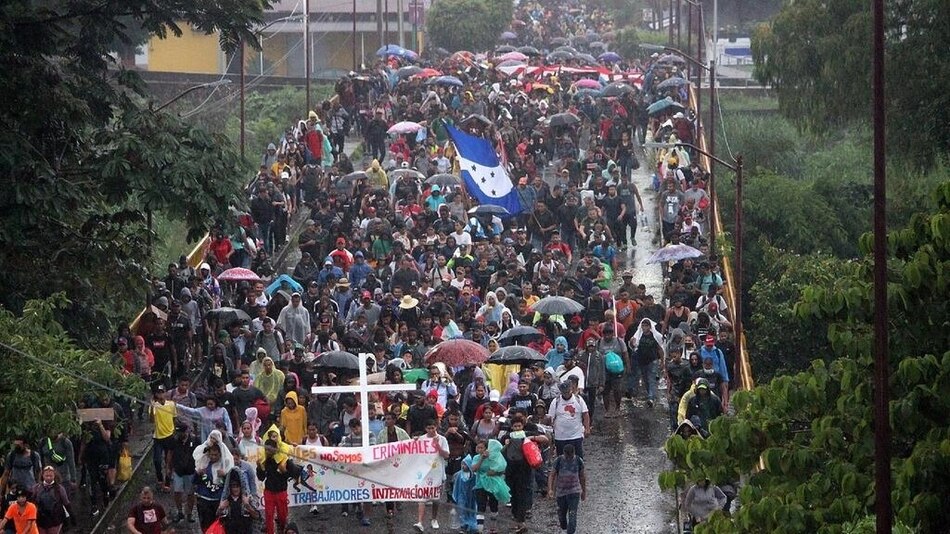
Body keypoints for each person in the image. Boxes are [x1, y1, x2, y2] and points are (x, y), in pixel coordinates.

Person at [412, 420, 449, 532]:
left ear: (436, 427)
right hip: (424, 473)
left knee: (435, 499)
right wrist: (414, 443)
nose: (431, 430)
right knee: (422, 498)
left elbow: (446, 455)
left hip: (437, 472)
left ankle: (434, 519)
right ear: (425, 428)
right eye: (429, 428)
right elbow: (413, 453)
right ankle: (420, 522)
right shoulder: (421, 439)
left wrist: (437, 445)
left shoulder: (442, 439)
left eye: (433, 428)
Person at [471, 440, 510, 534]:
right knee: (481, 506)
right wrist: (482, 459)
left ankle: (493, 528)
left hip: (493, 484)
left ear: (486, 449)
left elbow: (501, 469)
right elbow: (474, 469)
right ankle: (479, 529)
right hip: (480, 484)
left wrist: (495, 473)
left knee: (493, 505)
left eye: (481, 448)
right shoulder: (476, 457)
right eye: (478, 447)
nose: (479, 449)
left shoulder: (494, 457)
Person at [548, 443, 586, 534]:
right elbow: (552, 475)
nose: (569, 458)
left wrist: (584, 490)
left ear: (574, 453)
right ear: (564, 453)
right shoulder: (558, 460)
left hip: (574, 492)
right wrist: (550, 489)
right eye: (567, 455)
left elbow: (582, 476)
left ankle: (570, 532)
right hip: (561, 492)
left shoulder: (578, 460)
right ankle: (564, 526)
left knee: (572, 514)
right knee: (561, 515)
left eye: (571, 455)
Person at [546, 381, 590, 459]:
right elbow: (550, 417)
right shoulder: (556, 402)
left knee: (578, 458)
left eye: (568, 391)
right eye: (564, 392)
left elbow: (585, 414)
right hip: (560, 436)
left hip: (576, 435)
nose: (566, 394)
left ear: (571, 390)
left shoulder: (578, 399)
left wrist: (587, 429)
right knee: (561, 458)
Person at [168, 423, 198, 523]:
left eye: (181, 432)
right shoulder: (174, 440)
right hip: (178, 471)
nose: (179, 434)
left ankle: (189, 513)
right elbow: (170, 454)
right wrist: (169, 468)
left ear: (186, 431)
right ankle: (180, 512)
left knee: (190, 493)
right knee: (177, 492)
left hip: (190, 471)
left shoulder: (194, 440)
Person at [218, 468, 261, 533]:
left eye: (237, 486)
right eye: (233, 486)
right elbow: (218, 518)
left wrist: (247, 505)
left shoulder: (249, 498)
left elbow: (257, 516)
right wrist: (220, 508)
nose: (235, 489)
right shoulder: (226, 500)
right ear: (229, 487)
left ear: (241, 486)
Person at [31, 466, 71, 534]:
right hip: (41, 519)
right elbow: (31, 502)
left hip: (55, 519)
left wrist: (71, 516)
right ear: (42, 475)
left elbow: (66, 503)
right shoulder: (36, 488)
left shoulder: (59, 488)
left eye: (51, 476)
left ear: (54, 476)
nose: (48, 478)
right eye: (46, 475)